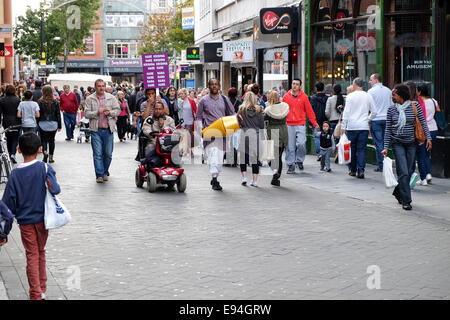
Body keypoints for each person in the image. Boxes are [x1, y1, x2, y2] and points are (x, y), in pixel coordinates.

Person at [1, 132, 61, 300]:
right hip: (43, 220)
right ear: (40, 149)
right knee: (40, 251)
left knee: (32, 254)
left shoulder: (15, 175)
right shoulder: (45, 168)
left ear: (19, 150)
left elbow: (7, 205)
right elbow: (55, 190)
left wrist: (4, 230)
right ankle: (42, 287)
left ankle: (35, 292)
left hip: (26, 222)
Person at [382, 84, 432, 211]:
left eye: (394, 94)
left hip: (411, 144)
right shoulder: (391, 110)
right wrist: (386, 146)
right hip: (397, 144)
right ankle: (406, 200)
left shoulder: (414, 106)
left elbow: (423, 122)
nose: (392, 97)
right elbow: (388, 129)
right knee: (403, 171)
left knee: (408, 171)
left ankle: (399, 192)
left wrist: (429, 138)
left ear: (402, 95)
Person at [196, 79, 236, 191]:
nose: (214, 86)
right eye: (212, 84)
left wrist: (236, 121)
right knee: (213, 155)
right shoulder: (203, 101)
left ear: (219, 86)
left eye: (216, 84)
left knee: (219, 157)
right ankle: (214, 179)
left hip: (222, 133)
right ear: (208, 86)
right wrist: (201, 128)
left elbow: (232, 113)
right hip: (210, 133)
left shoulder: (224, 99)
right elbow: (198, 117)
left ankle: (215, 176)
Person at [84, 79, 121, 183]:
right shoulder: (90, 98)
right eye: (99, 86)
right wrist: (97, 112)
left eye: (102, 86)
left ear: (105, 87)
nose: (101, 88)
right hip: (95, 130)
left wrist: (110, 113)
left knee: (108, 154)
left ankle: (105, 172)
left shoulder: (111, 97)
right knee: (97, 154)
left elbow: (118, 110)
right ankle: (99, 175)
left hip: (108, 130)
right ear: (95, 87)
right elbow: (86, 114)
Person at [341, 78, 377, 179]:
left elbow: (346, 112)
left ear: (354, 84)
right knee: (362, 150)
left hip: (352, 126)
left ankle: (352, 170)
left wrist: (343, 126)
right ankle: (361, 170)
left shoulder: (350, 96)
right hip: (363, 126)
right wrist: (368, 119)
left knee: (352, 149)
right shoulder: (368, 95)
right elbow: (374, 112)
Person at [282, 78, 319, 174]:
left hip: (300, 124)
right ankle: (290, 164)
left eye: (296, 84)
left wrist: (314, 123)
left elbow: (309, 111)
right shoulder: (286, 97)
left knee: (301, 144)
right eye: (293, 83)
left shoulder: (304, 97)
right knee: (290, 146)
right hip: (289, 124)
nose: (294, 86)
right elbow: (282, 111)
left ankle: (300, 160)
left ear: (300, 86)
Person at [237, 92, 264, 187]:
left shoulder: (241, 110)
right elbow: (261, 125)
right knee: (254, 158)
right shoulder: (259, 110)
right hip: (255, 135)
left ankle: (244, 177)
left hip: (244, 134)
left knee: (243, 157)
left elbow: (238, 123)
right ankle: (254, 180)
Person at [368, 73, 392, 172]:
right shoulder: (388, 91)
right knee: (385, 142)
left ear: (376, 80)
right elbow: (392, 105)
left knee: (379, 143)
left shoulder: (371, 92)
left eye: (371, 80)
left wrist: (368, 118)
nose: (369, 82)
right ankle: (385, 164)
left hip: (376, 119)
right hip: (386, 119)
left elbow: (368, 106)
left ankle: (382, 165)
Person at [264, 90, 289, 187]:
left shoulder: (268, 110)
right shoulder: (285, 107)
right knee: (278, 156)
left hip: (273, 132)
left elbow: (264, 120)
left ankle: (275, 172)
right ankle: (276, 177)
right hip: (283, 132)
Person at [141, 102, 177, 167]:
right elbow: (146, 129)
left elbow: (174, 131)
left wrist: (162, 125)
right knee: (150, 148)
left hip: (168, 144)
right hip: (154, 142)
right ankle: (148, 166)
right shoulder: (149, 119)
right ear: (153, 110)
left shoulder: (169, 120)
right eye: (156, 109)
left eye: (160, 109)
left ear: (163, 110)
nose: (158, 111)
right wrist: (153, 134)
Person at [416, 83, 438, 185]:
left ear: (419, 91)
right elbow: (437, 111)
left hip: (422, 130)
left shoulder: (419, 103)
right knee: (428, 153)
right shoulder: (434, 101)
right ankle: (428, 173)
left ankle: (423, 178)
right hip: (433, 128)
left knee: (421, 154)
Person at [37, 85, 62, 163]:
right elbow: (58, 114)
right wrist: (59, 125)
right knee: (51, 141)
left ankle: (45, 152)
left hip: (42, 123)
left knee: (43, 140)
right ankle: (51, 157)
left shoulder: (40, 102)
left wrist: (37, 123)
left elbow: (38, 113)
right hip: (53, 123)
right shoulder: (55, 102)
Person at [0, 85, 21, 163]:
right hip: (16, 120)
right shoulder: (17, 99)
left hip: (6, 121)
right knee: (15, 138)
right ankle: (13, 154)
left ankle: (9, 153)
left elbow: (0, 112)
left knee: (8, 137)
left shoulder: (2, 100)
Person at [309, 82, 329, 160]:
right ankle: (324, 153)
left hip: (315, 121)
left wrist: (310, 122)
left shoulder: (313, 98)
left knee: (317, 137)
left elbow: (311, 111)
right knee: (324, 137)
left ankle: (320, 153)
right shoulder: (327, 98)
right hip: (325, 121)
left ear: (316, 89)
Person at [178, 88, 197, 154]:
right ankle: (187, 151)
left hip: (190, 121)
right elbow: (180, 112)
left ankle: (187, 151)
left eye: (182, 94)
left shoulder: (191, 101)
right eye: (179, 94)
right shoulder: (180, 102)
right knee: (184, 136)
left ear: (185, 94)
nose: (180, 95)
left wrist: (196, 122)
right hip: (183, 122)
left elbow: (195, 111)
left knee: (188, 136)